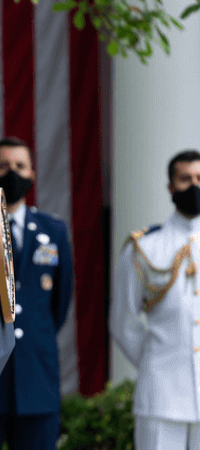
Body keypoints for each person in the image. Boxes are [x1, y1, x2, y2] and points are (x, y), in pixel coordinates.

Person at [0, 136, 73, 450]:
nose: (13, 173)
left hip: (36, 376)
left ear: (33, 174)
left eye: (20, 166)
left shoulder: (54, 231)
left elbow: (59, 304)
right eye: (3, 166)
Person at [110, 149, 200, 450]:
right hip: (162, 391)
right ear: (170, 187)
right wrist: (154, 361)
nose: (193, 185)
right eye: (185, 179)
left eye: (199, 178)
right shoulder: (145, 247)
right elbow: (123, 321)